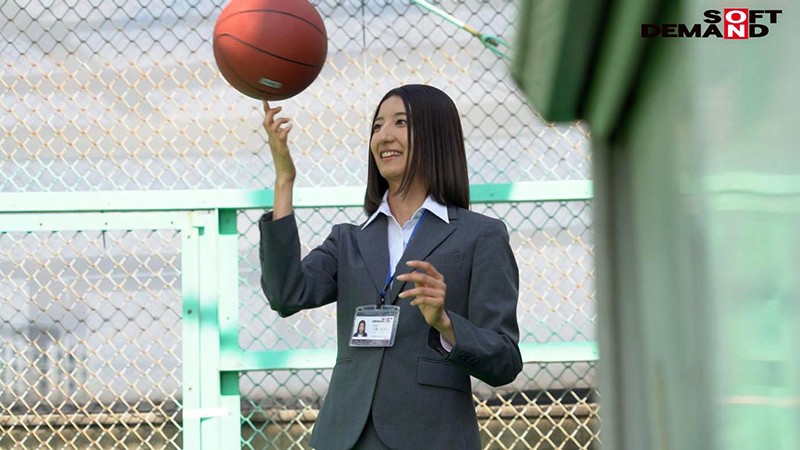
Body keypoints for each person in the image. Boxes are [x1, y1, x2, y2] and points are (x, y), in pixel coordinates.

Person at [259, 84, 522, 450]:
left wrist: (445, 323)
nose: (384, 136)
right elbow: (285, 294)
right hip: (346, 437)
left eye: (401, 122)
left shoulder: (481, 236)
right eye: (377, 125)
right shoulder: (348, 240)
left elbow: (505, 361)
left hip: (432, 437)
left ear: (436, 136)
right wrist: (284, 180)